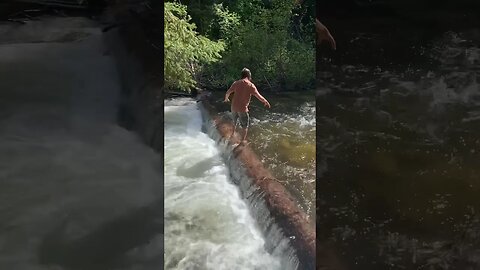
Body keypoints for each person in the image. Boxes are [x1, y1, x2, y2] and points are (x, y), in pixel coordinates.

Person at [224, 68, 271, 144]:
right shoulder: (250, 85)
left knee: (234, 122)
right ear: (249, 76)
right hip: (242, 109)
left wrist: (226, 99)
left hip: (233, 107)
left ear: (242, 76)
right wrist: (265, 101)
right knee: (245, 126)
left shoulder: (236, 83)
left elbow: (228, 92)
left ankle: (232, 134)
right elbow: (259, 96)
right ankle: (242, 141)